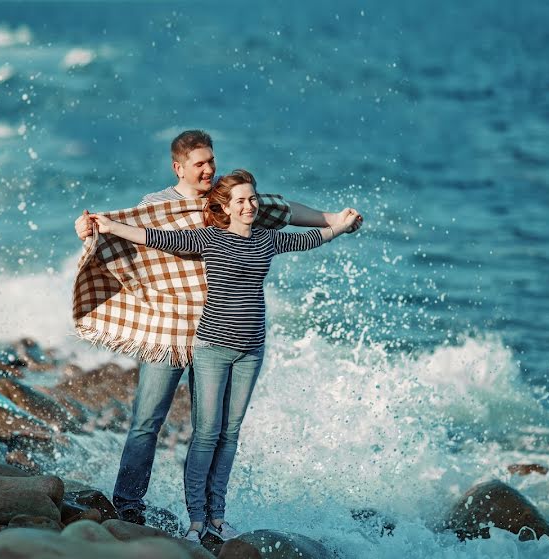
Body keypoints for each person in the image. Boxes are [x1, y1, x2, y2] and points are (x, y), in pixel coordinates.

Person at [74, 130, 347, 526]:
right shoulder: (157, 205)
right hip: (169, 330)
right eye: (199, 163)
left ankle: (202, 516)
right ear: (178, 167)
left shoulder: (227, 201)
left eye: (211, 161)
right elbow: (129, 230)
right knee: (148, 421)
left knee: (212, 431)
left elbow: (284, 210)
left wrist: (334, 221)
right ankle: (128, 502)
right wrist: (88, 229)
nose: (208, 169)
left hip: (218, 332)